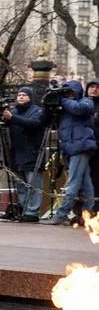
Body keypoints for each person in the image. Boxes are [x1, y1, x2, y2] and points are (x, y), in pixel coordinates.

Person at [43, 80, 95, 225]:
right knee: (85, 183)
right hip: (71, 148)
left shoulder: (86, 101)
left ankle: (61, 214)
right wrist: (48, 104)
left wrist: (62, 99)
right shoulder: (64, 107)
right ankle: (88, 214)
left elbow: (79, 109)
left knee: (73, 182)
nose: (67, 95)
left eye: (70, 92)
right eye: (65, 93)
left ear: (78, 91)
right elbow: (45, 120)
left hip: (80, 146)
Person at [3, 87, 46, 223]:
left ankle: (32, 211)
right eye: (19, 95)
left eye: (24, 95)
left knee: (33, 184)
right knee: (20, 184)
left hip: (32, 153)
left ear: (30, 97)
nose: (21, 97)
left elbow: (33, 123)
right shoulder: (14, 111)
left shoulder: (37, 111)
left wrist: (12, 118)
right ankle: (24, 208)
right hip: (16, 153)